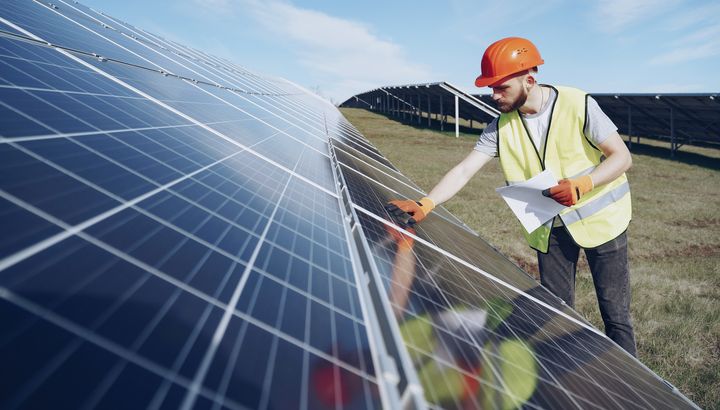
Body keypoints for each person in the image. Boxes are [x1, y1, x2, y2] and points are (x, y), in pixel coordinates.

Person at [385, 37, 637, 356]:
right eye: (491, 88)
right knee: (554, 310)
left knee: (616, 316)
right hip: (550, 227)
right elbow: (465, 170)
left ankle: (635, 387)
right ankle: (564, 381)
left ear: (528, 80)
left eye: (501, 87)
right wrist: (426, 203)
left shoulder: (577, 103)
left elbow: (621, 157)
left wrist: (583, 183)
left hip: (603, 221)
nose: (493, 95)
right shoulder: (500, 126)